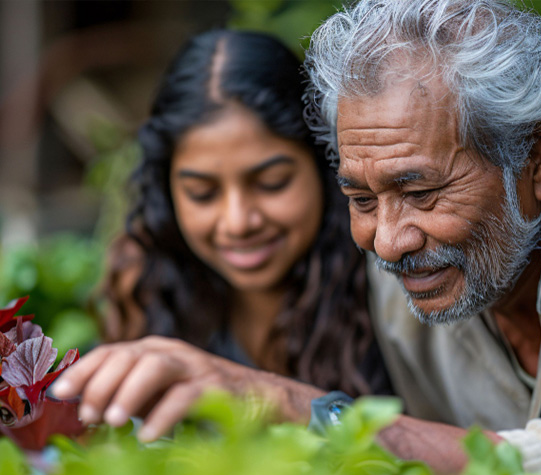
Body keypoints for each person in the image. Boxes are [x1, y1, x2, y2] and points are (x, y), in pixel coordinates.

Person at [55, 0, 541, 475]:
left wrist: (306, 409)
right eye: (360, 199)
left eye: (422, 191)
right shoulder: (407, 273)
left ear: (540, 157)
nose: (388, 241)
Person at [78, 29, 391, 431]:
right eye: (202, 193)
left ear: (327, 167)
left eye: (272, 183)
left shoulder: (388, 291)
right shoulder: (146, 285)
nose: (238, 222)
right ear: (167, 191)